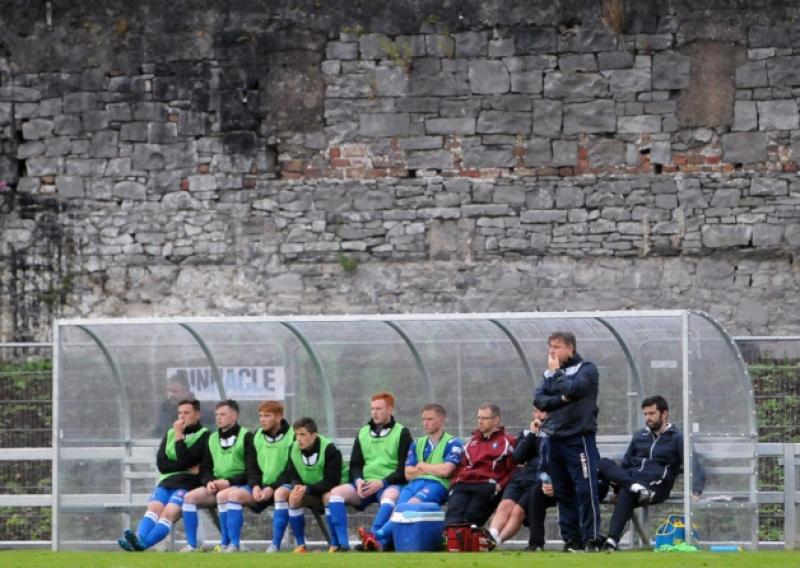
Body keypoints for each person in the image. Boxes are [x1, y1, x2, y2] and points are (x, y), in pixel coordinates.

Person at [600, 395, 706, 552]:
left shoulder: (678, 438)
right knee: (601, 464)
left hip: (656, 487)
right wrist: (616, 488)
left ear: (664, 414)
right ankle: (588, 536)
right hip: (632, 482)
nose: (647, 418)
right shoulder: (639, 436)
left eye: (652, 414)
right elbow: (626, 464)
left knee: (627, 492)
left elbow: (693, 464)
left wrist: (696, 490)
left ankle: (611, 541)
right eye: (645, 414)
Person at [533, 331, 602, 552]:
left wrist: (558, 377)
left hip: (579, 438)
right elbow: (540, 400)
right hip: (555, 439)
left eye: (557, 346)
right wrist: (562, 399)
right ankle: (571, 540)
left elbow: (574, 388)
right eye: (550, 346)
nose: (552, 351)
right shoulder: (548, 373)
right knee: (562, 491)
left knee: (585, 489)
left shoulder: (587, 369)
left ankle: (590, 538)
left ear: (571, 348)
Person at [361, 403, 463, 551]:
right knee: (399, 509)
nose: (425, 423)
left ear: (442, 420)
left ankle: (376, 535)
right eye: (423, 419)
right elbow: (408, 474)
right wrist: (432, 468)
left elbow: (446, 471)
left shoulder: (453, 443)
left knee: (409, 506)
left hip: (436, 485)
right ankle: (380, 544)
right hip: (414, 483)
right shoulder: (417, 443)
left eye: (430, 419)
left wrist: (421, 466)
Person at [118, 399, 210, 552]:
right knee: (153, 509)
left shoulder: (204, 435)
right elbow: (162, 464)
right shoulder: (169, 433)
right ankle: (139, 539)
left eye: (187, 413)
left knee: (169, 513)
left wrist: (179, 436)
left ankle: (142, 545)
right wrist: (185, 466)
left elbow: (185, 458)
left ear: (197, 414)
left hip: (187, 484)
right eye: (180, 413)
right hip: (166, 481)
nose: (182, 417)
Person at [326, 391, 413, 552]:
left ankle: (371, 538)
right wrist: (358, 480)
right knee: (336, 494)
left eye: (379, 408)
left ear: (390, 410)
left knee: (390, 497)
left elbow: (404, 470)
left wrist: (382, 482)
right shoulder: (363, 432)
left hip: (389, 484)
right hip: (365, 485)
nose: (374, 412)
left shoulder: (402, 432)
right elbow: (355, 465)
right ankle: (342, 545)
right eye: (372, 408)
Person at [214, 400, 294, 553]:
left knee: (279, 493)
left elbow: (291, 469)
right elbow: (252, 467)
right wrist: (255, 486)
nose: (262, 419)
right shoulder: (256, 435)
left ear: (279, 417)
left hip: (282, 485)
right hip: (261, 487)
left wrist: (271, 487)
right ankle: (233, 545)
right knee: (231, 496)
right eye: (260, 416)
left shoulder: (292, 436)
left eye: (267, 416)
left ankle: (275, 545)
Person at [180, 399, 252, 552]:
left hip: (241, 485)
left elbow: (252, 471)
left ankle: (230, 544)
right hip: (218, 485)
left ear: (234, 416)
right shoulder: (212, 438)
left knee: (224, 495)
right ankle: (191, 545)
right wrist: (208, 482)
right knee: (189, 498)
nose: (218, 418)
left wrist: (229, 481)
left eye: (223, 414)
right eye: (217, 414)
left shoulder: (246, 437)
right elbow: (205, 468)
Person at [488, 404, 562, 550]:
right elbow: (517, 456)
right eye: (536, 411)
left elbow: (545, 458)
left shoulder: (557, 432)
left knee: (517, 511)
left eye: (542, 411)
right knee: (504, 506)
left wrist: (531, 460)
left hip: (537, 481)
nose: (538, 415)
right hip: (521, 478)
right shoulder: (528, 432)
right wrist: (532, 434)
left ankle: (495, 542)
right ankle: (490, 535)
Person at [269, 417, 347, 553]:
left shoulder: (329, 449)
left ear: (313, 435)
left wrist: (308, 488)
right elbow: (292, 473)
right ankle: (298, 545)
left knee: (328, 496)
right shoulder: (293, 448)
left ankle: (335, 544)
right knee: (292, 496)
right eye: (296, 434)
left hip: (329, 489)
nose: (298, 438)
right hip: (308, 489)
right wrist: (297, 486)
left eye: (302, 434)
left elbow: (332, 481)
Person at [444, 403, 516, 529]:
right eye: (478, 418)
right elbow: (462, 465)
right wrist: (455, 482)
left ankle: (467, 544)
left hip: (486, 485)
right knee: (451, 520)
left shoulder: (507, 442)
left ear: (496, 420)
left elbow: (514, 469)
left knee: (470, 522)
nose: (480, 421)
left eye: (484, 418)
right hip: (464, 484)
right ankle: (451, 545)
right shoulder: (472, 442)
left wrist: (500, 486)